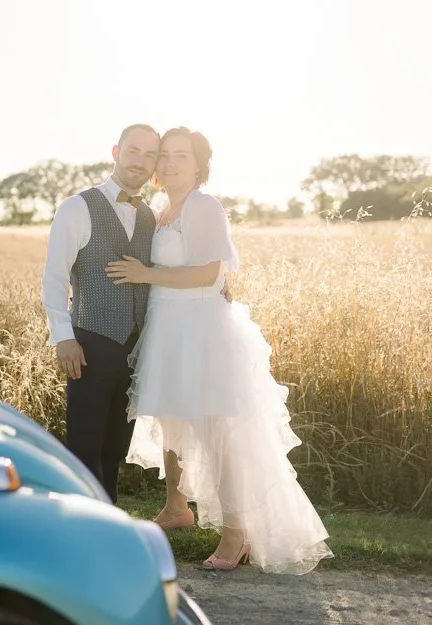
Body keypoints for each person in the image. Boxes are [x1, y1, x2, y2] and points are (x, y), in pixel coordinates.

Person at [105, 126, 333, 574]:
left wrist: (144, 275)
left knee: (216, 432)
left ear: (199, 165)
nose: (170, 164)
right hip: (167, 326)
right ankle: (177, 507)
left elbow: (209, 273)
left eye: (182, 157)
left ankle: (237, 531)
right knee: (170, 420)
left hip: (200, 328)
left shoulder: (205, 207)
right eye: (164, 156)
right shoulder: (161, 207)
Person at [41, 123, 160, 503]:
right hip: (89, 344)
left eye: (149, 155)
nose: (139, 161)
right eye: (133, 150)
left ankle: (108, 527)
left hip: (135, 349)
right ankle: (76, 533)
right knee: (83, 451)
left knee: (115, 451)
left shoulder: (150, 218)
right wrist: (63, 338)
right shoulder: (78, 207)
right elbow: (54, 278)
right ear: (116, 151)